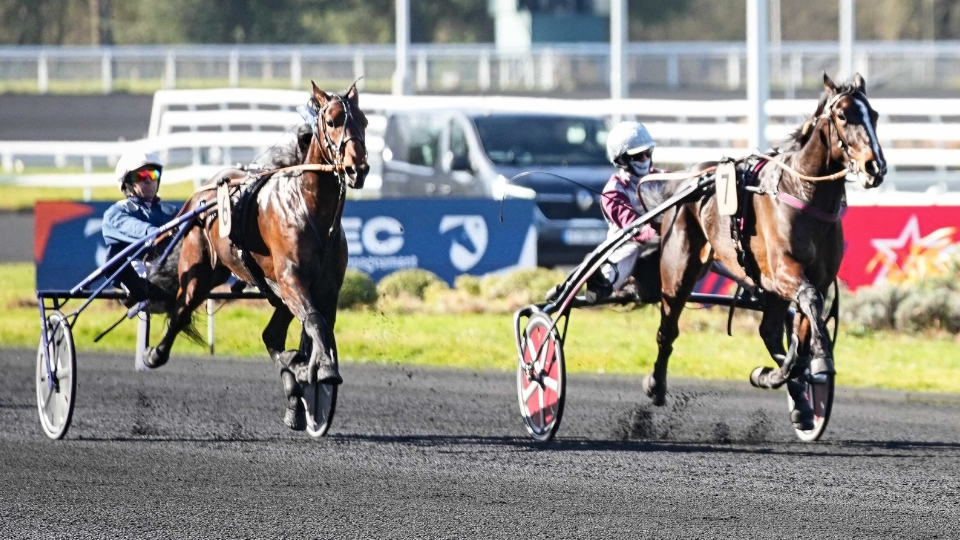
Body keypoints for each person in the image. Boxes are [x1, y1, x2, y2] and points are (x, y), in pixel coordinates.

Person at [546, 121, 663, 303]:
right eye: (638, 156)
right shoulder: (613, 192)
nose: (644, 160)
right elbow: (635, 230)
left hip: (660, 242)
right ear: (621, 159)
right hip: (626, 246)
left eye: (647, 153)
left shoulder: (662, 178)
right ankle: (602, 284)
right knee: (632, 250)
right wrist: (660, 231)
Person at [102, 151, 178, 306]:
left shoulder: (170, 211)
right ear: (128, 183)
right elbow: (135, 228)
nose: (149, 180)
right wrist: (159, 233)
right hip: (134, 273)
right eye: (141, 176)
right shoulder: (116, 213)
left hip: (168, 272)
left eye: (153, 174)